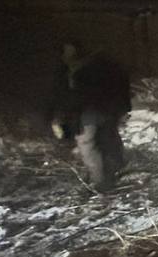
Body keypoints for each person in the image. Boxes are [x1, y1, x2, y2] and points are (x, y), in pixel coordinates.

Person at [46, 40, 131, 190]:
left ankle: (100, 182)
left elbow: (70, 97)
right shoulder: (101, 66)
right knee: (107, 139)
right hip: (106, 110)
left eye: (68, 52)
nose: (65, 56)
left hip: (89, 112)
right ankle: (117, 171)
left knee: (88, 145)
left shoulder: (75, 71)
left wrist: (63, 114)